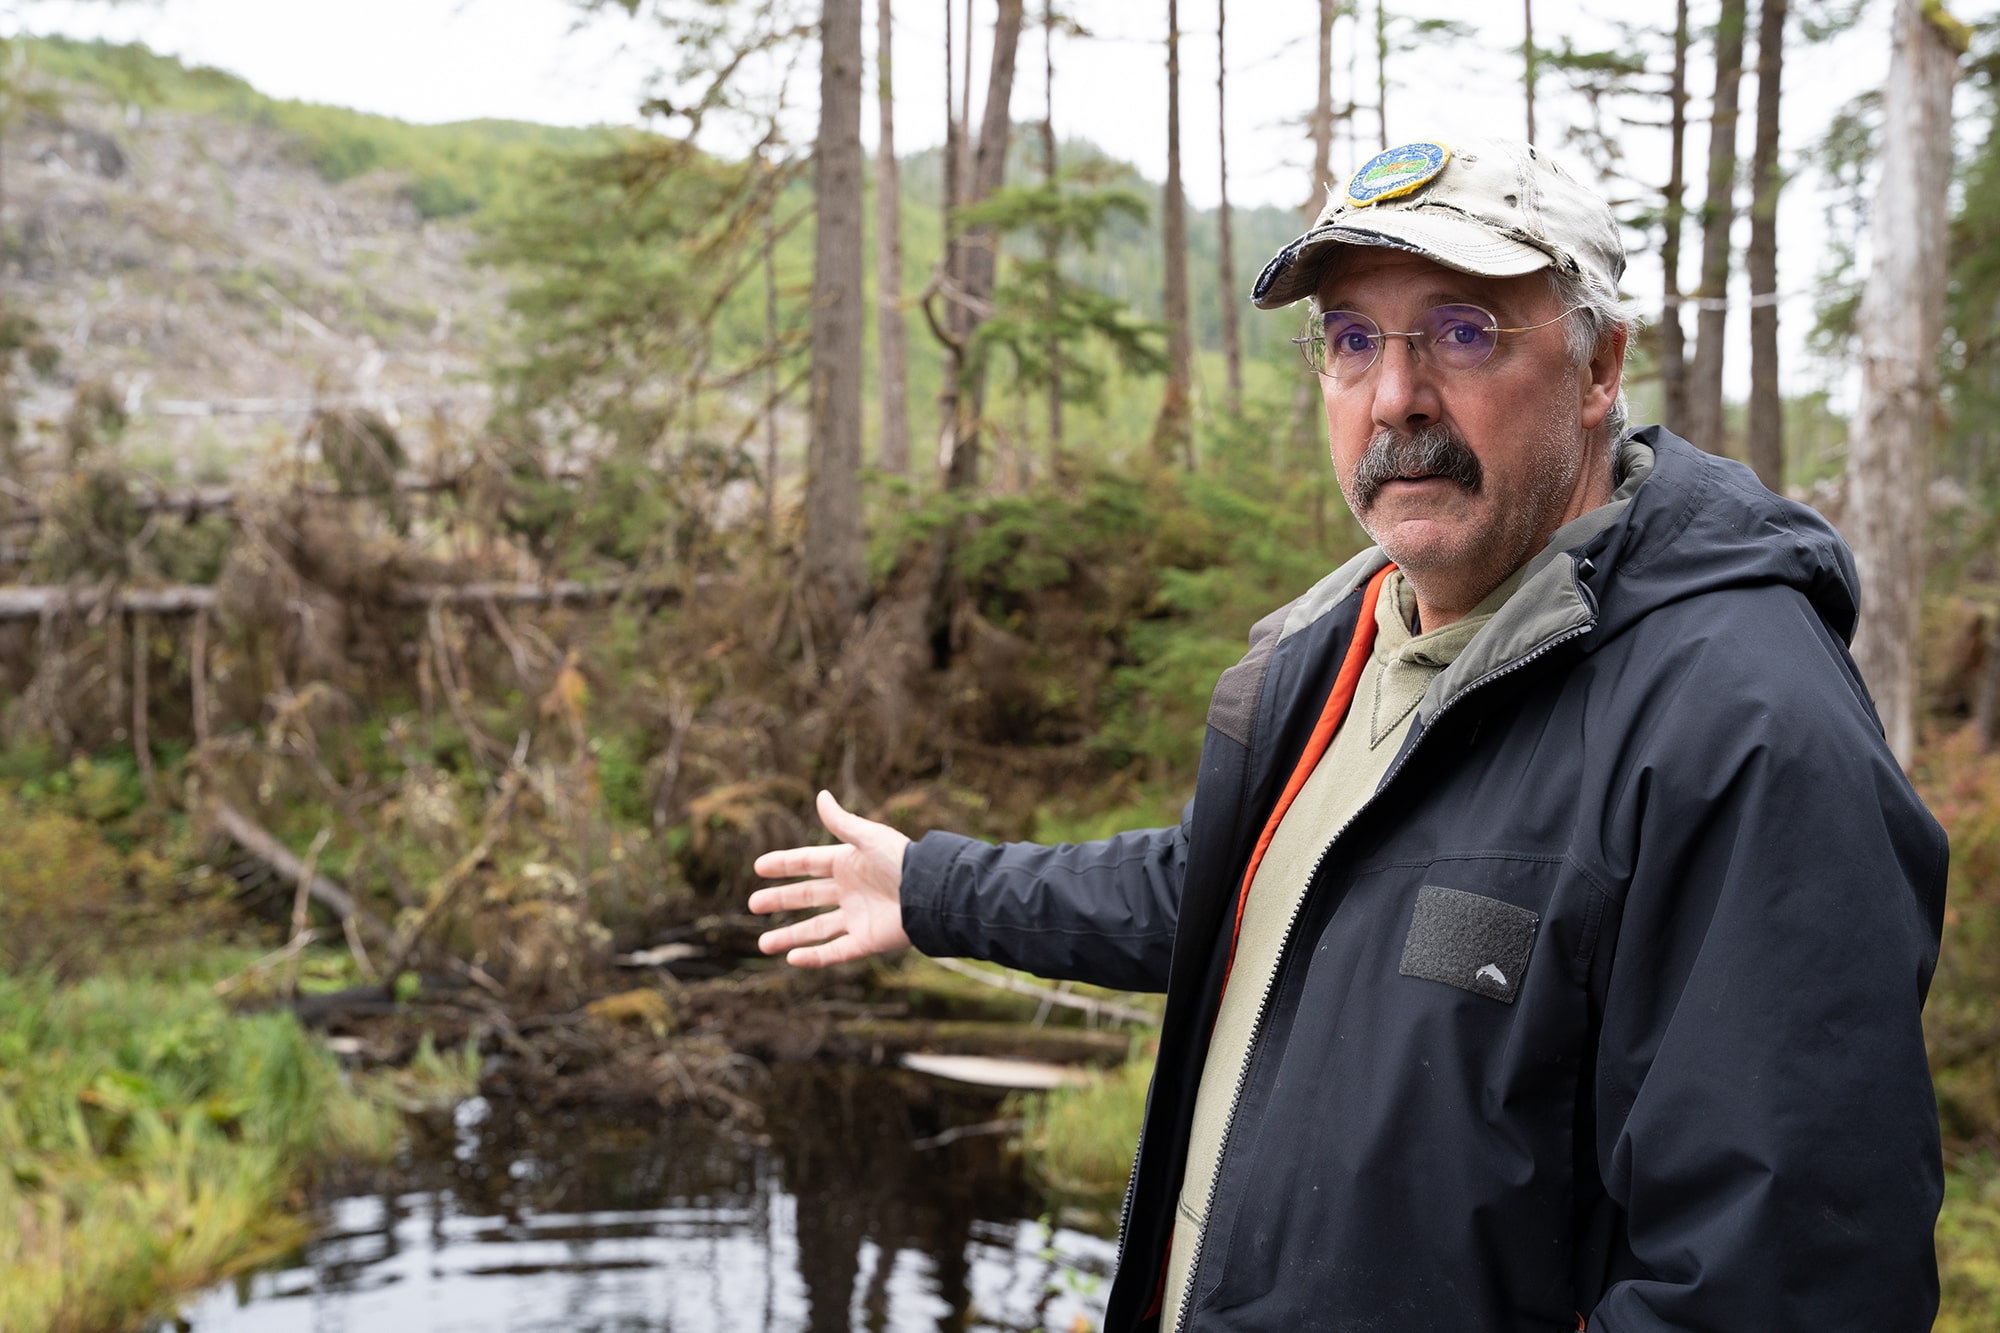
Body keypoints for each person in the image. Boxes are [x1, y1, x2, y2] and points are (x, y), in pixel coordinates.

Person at [751, 138, 1948, 1332]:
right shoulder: (1342, 643)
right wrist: (936, 888)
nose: (1394, 397)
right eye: (1349, 339)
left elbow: (1779, 1285)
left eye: (1463, 331)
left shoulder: (1741, 724)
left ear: (1598, 368)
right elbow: (1234, 891)